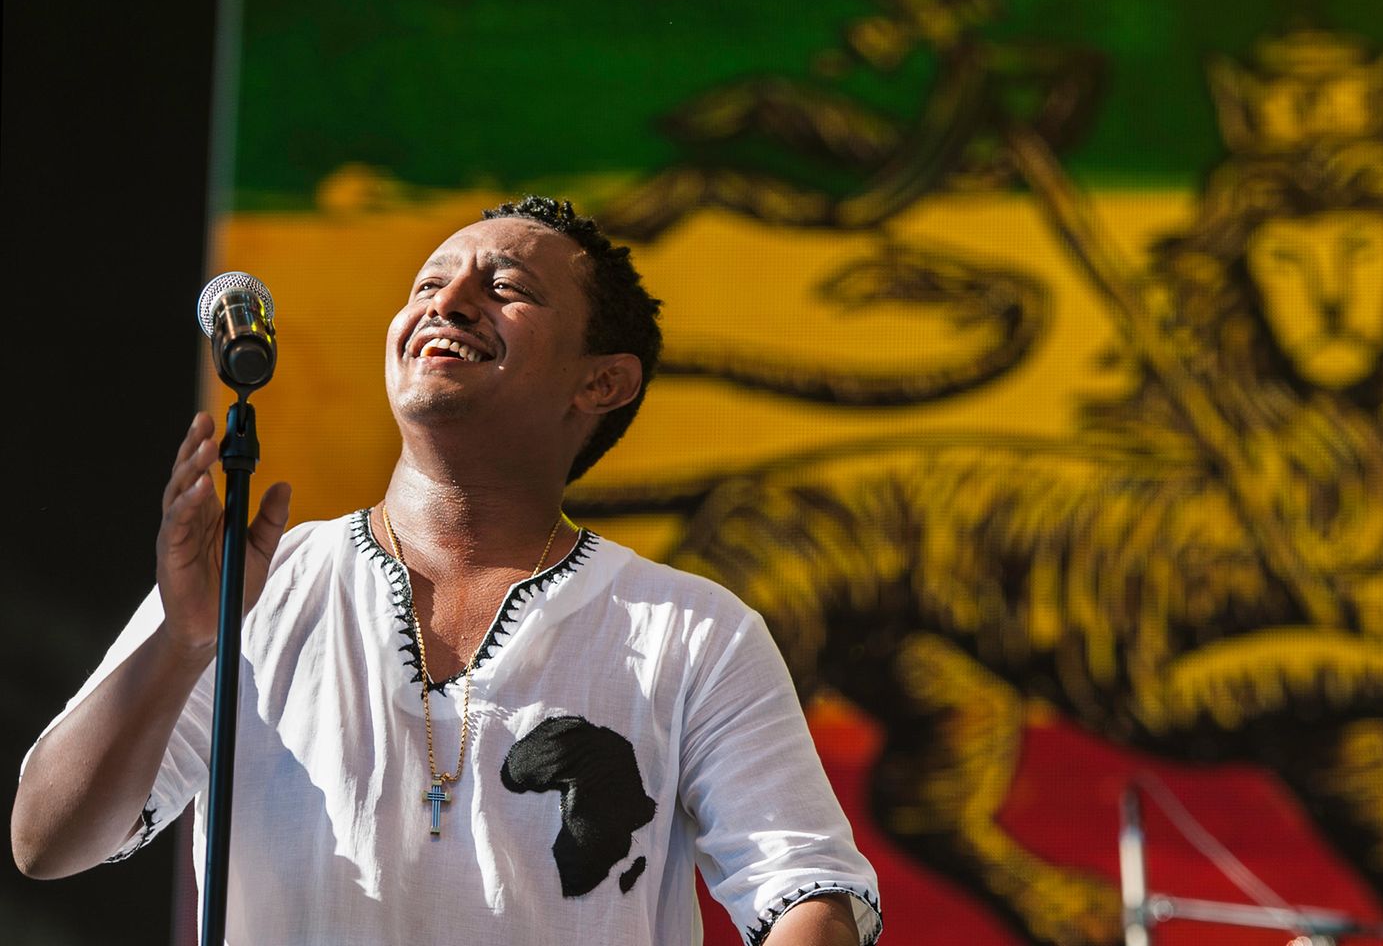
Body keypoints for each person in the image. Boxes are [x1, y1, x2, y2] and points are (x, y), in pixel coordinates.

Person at [12, 196, 882, 946]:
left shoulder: (694, 631)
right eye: (428, 284)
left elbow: (807, 893)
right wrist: (182, 641)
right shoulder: (259, 585)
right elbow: (47, 841)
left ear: (603, 382)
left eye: (505, 289)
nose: (449, 302)